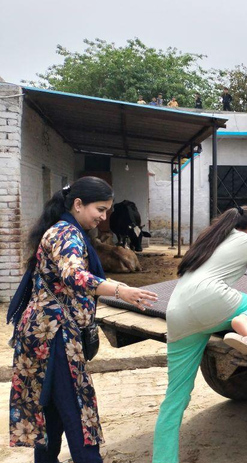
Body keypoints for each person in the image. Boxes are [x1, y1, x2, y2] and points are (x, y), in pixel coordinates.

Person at [8, 177, 158, 463]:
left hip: (43, 334)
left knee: (51, 412)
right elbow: (74, 276)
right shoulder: (67, 234)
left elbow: (77, 278)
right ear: (78, 204)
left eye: (106, 212)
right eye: (99, 210)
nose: (103, 218)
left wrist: (117, 287)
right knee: (78, 414)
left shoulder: (65, 229)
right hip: (54, 337)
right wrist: (120, 291)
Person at [152, 206, 247, 463]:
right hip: (215, 302)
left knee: (174, 399)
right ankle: (246, 325)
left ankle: (163, 459)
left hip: (177, 312)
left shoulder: (209, 239)